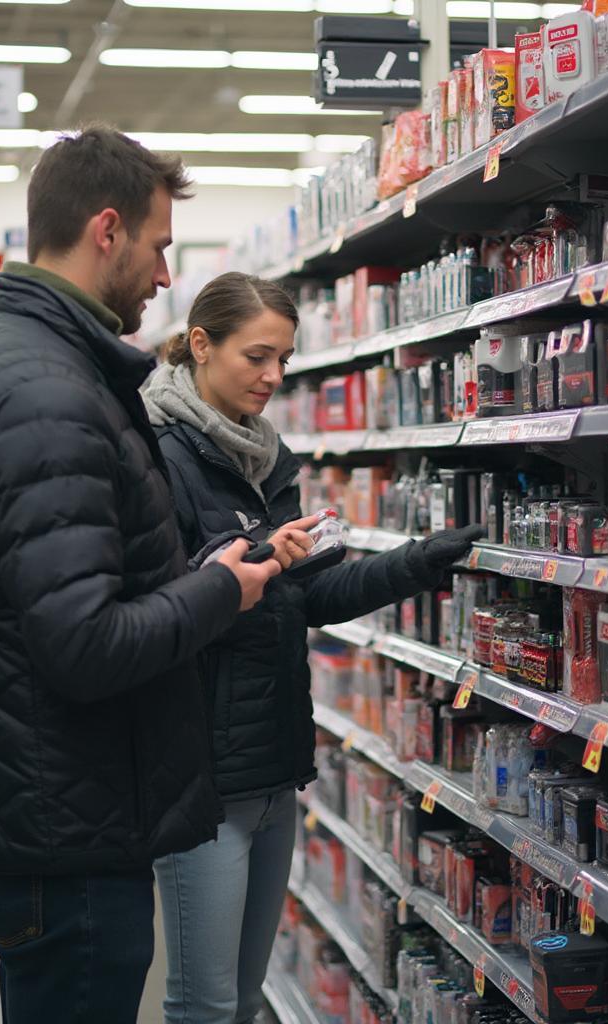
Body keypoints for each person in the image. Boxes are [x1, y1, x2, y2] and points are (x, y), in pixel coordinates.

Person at [0, 128, 280, 1024]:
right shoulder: (46, 391)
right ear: (107, 230)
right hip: (63, 825)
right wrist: (216, 590)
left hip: (49, 800)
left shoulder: (26, 363)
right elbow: (81, 643)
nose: (165, 275)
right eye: (160, 247)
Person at [142, 271, 483, 1024]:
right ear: (201, 345)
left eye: (285, 360)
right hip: (201, 781)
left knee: (241, 998)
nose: (273, 377)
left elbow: (313, 598)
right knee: (201, 1004)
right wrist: (251, 563)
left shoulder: (268, 459)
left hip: (273, 769)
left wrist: (419, 561)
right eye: (257, 356)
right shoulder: (157, 455)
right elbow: (161, 612)